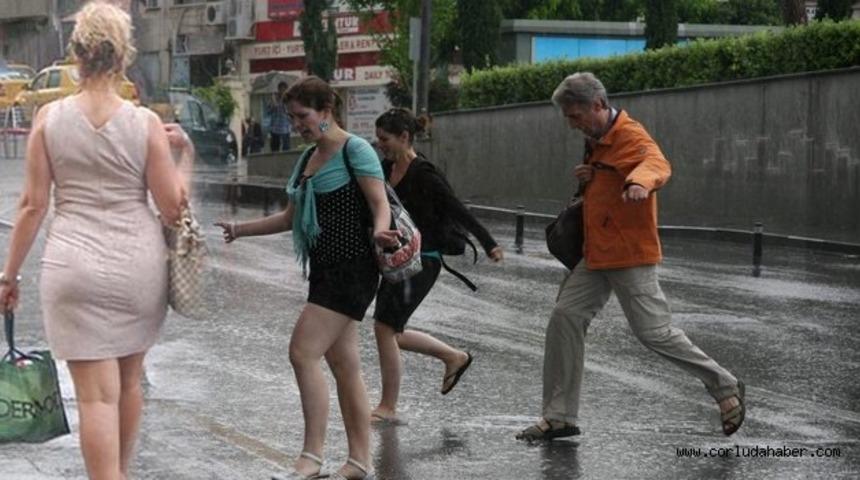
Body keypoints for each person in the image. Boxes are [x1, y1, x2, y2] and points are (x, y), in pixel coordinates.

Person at [0, 2, 190, 478]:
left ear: (77, 54)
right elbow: (173, 208)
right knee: (127, 387)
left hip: (73, 265)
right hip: (138, 268)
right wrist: (182, 154)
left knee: (95, 398)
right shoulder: (144, 123)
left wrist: (9, 274)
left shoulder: (47, 118)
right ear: (123, 55)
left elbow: (31, 205)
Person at [516, 72, 745, 441]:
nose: (572, 125)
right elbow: (609, 177)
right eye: (568, 118)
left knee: (654, 333)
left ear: (599, 105)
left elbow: (656, 162)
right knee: (565, 317)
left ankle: (725, 386)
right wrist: (590, 177)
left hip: (630, 253)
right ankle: (558, 417)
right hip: (596, 253)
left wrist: (640, 182)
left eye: (576, 116)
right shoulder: (597, 138)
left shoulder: (630, 134)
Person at [215, 76, 394, 480]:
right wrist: (240, 230)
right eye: (292, 117)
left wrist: (382, 232)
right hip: (324, 271)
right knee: (344, 364)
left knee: (302, 352)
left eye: (302, 116)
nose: (296, 124)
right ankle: (359, 462)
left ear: (326, 111)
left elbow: (379, 202)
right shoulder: (308, 158)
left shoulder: (355, 149)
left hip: (353, 270)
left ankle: (310, 460)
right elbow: (289, 218)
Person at [370, 108, 504, 425]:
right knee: (391, 332)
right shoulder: (385, 167)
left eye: (385, 139)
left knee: (385, 329)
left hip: (423, 261)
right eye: (377, 140)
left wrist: (488, 242)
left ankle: (388, 406)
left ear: (405, 137)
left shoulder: (425, 174)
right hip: (396, 259)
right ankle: (454, 357)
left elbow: (457, 208)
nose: (380, 145)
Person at [267, 81, 292, 152]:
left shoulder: (288, 100)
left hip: (286, 128)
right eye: (281, 89)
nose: (282, 91)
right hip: (275, 128)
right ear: (278, 89)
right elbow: (268, 112)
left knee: (286, 149)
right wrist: (273, 104)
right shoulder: (273, 99)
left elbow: (288, 112)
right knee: (275, 149)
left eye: (284, 89)